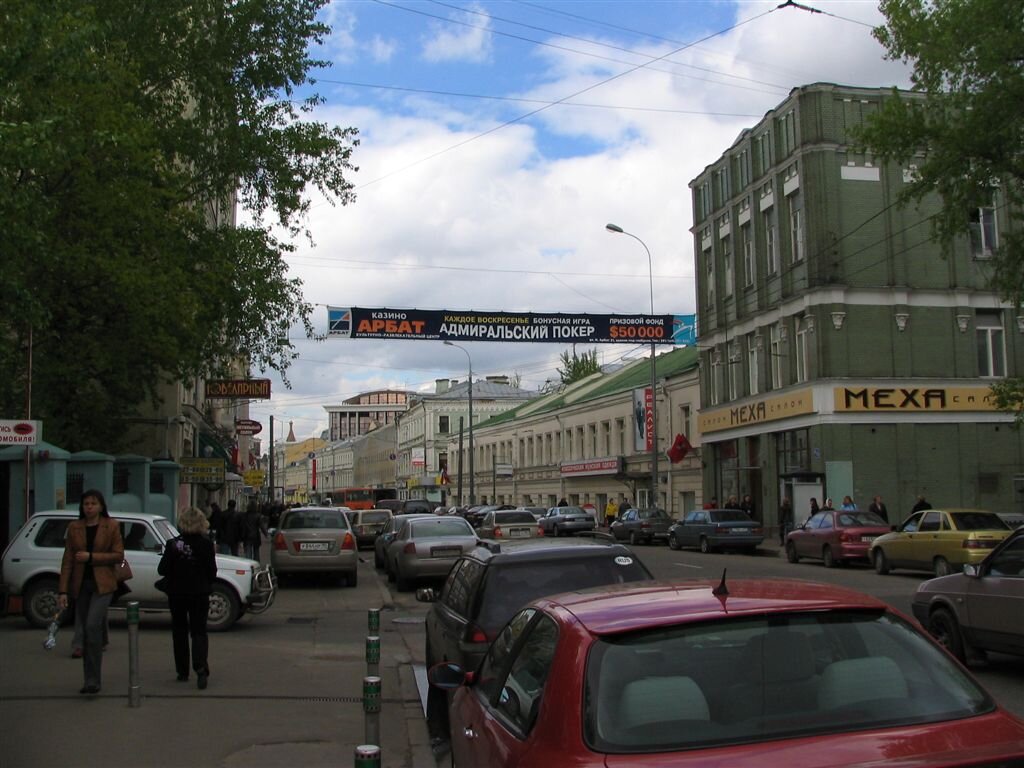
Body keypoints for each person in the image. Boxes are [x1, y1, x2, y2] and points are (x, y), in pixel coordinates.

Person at [58, 489, 123, 695]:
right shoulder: (75, 527)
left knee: (92, 625)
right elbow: (67, 560)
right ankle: (89, 680)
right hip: (82, 584)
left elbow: (118, 555)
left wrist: (91, 557)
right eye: (86, 504)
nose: (89, 507)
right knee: (86, 631)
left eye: (93, 504)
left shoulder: (111, 526)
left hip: (103, 584)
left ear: (101, 506)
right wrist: (63, 591)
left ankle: (94, 679)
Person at [158, 506, 217, 690]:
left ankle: (182, 671)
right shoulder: (207, 544)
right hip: (199, 593)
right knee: (199, 631)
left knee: (179, 630)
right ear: (202, 523)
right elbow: (212, 572)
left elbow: (162, 570)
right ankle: (200, 668)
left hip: (177, 593)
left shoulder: (173, 544)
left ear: (182, 523)